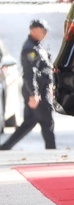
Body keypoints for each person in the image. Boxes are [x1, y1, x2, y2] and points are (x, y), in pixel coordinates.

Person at [0, 19, 55, 151]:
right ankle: (52, 151)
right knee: (47, 123)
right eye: (43, 30)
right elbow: (30, 73)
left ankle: (5, 147)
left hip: (41, 89)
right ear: (34, 30)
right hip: (38, 91)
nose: (45, 33)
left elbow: (45, 68)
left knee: (30, 122)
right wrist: (34, 93)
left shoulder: (38, 46)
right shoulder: (30, 48)